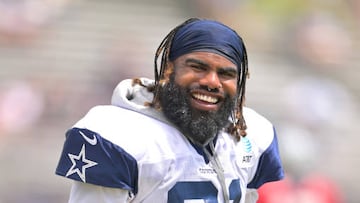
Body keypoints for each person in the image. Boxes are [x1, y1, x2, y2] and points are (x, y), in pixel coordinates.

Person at [55, 18, 284, 203]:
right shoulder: (118, 136)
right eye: (197, 67)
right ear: (168, 69)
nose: (212, 82)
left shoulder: (252, 135)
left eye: (226, 74)